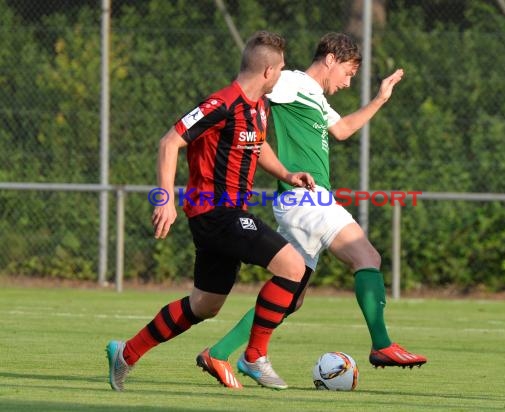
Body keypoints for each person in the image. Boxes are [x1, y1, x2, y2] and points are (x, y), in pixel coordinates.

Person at [196, 32, 427, 390]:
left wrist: (380, 98)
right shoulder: (291, 82)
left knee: (291, 295)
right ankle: (382, 345)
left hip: (302, 204)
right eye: (348, 73)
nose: (348, 82)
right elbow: (252, 85)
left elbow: (343, 130)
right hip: (306, 198)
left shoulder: (316, 97)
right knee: (366, 256)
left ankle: (227, 352)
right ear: (331, 58)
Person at [105, 30, 316, 392]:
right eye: (280, 69)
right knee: (294, 267)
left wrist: (285, 173)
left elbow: (257, 144)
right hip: (215, 212)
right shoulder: (220, 104)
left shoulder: (259, 108)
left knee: (205, 304)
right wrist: (164, 199)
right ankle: (254, 357)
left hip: (227, 215)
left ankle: (126, 353)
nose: (282, 75)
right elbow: (169, 141)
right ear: (267, 71)